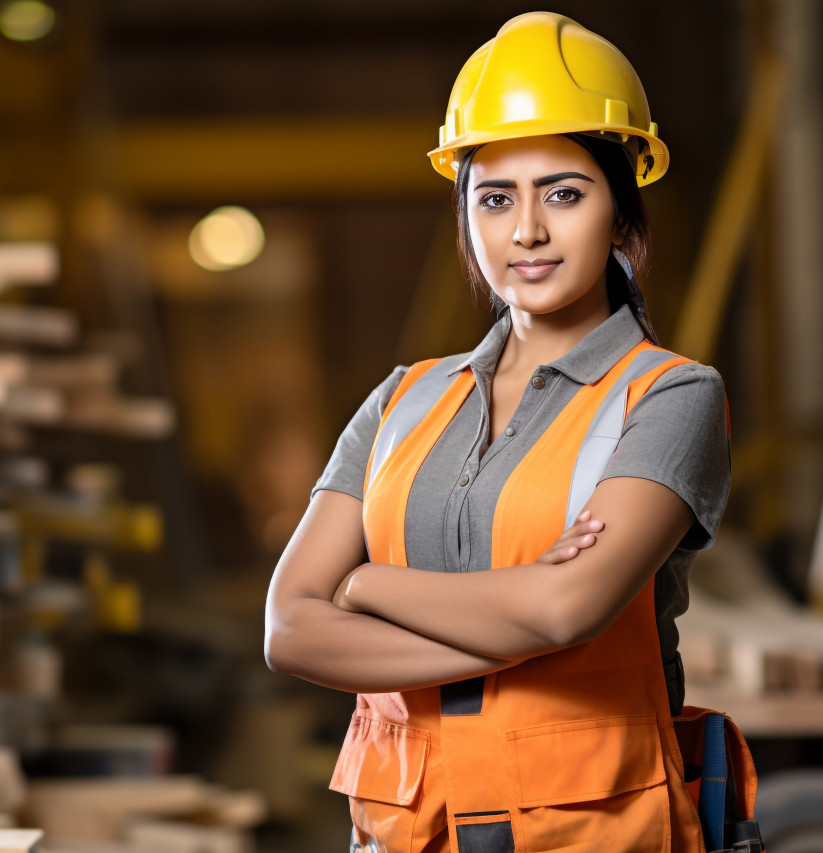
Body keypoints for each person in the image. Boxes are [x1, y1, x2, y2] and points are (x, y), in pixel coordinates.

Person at [266, 12, 753, 852]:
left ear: (621, 215)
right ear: (468, 220)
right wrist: (512, 622)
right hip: (406, 835)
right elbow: (287, 628)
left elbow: (567, 608)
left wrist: (368, 586)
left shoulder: (669, 396)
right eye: (495, 198)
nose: (526, 229)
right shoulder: (401, 401)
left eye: (563, 193)